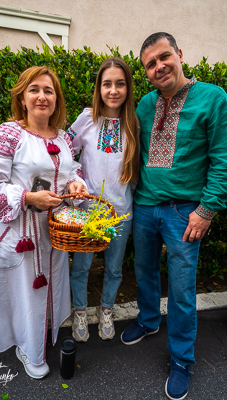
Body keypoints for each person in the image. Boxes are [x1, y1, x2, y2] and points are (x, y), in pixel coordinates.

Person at [121, 32, 227, 400]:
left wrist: (206, 210)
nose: (159, 66)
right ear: (146, 72)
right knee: (144, 270)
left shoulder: (213, 98)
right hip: (146, 207)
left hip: (186, 213)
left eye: (164, 57)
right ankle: (149, 320)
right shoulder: (145, 105)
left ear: (180, 54)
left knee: (182, 290)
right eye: (150, 64)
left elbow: (222, 159)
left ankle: (182, 359)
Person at [0, 66, 88, 379]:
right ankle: (29, 349)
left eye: (49, 91)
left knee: (48, 289)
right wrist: (27, 197)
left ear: (57, 100)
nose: (42, 96)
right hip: (20, 233)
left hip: (53, 232)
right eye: (34, 89)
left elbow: (71, 173)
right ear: (22, 98)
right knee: (27, 293)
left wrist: (75, 185)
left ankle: (39, 337)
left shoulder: (64, 138)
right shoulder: (9, 132)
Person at [67, 57, 139, 342]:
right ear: (98, 88)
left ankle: (106, 309)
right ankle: (80, 311)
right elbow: (62, 152)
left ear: (127, 88)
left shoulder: (133, 122)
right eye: (107, 84)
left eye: (120, 84)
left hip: (121, 211)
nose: (113, 90)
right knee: (82, 266)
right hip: (87, 211)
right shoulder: (87, 118)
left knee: (113, 267)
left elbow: (136, 169)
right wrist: (76, 179)